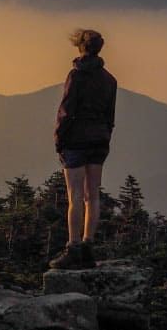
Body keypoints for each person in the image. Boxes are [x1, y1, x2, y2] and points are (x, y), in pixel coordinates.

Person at [50, 29, 117, 270]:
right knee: (93, 195)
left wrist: (59, 140)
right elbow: (110, 116)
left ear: (80, 47)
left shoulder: (76, 76)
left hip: (76, 141)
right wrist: (105, 135)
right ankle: (88, 247)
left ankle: (73, 247)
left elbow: (66, 111)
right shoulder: (110, 80)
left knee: (75, 196)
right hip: (100, 141)